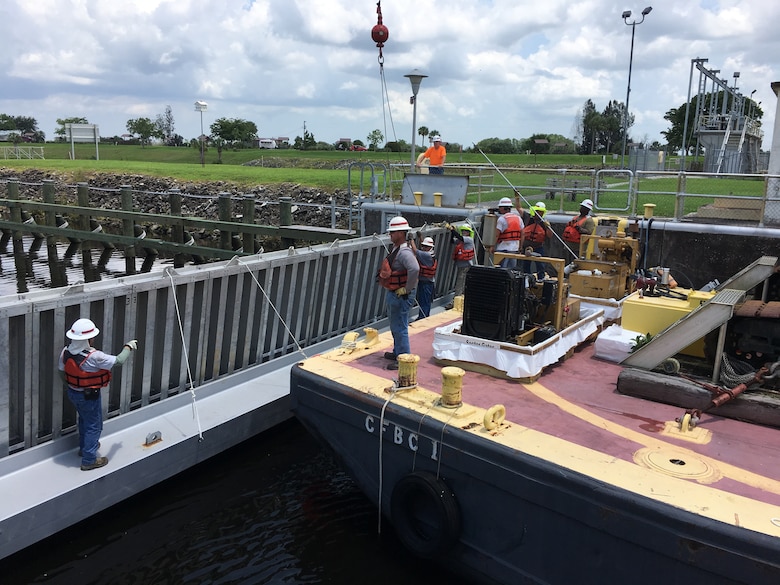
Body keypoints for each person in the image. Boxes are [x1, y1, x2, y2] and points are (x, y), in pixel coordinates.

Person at [58, 318, 137, 471]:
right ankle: (89, 460)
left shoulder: (65, 351)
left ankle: (84, 447)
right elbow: (119, 361)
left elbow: (61, 372)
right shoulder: (95, 356)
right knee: (94, 426)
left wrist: (71, 386)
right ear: (88, 339)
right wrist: (128, 346)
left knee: (83, 420)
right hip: (89, 396)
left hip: (73, 393)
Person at [377, 216, 419, 370]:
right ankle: (397, 352)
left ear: (401, 233)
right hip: (396, 293)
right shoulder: (398, 249)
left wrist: (407, 289)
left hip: (401, 295)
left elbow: (415, 269)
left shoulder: (404, 252)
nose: (390, 235)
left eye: (393, 233)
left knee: (400, 326)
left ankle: (404, 357)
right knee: (395, 325)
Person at [487, 196, 524, 268]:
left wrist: (492, 246)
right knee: (512, 269)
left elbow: (497, 235)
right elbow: (523, 233)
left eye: (500, 207)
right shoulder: (518, 218)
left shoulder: (502, 219)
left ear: (503, 208)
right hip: (514, 249)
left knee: (501, 269)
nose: (499, 209)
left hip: (502, 248)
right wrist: (520, 247)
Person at [522, 202, 552, 280]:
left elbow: (550, 235)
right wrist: (517, 197)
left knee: (540, 265)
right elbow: (519, 209)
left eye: (540, 211)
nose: (538, 213)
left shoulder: (544, 223)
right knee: (526, 265)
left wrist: (548, 227)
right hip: (527, 247)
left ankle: (540, 279)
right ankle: (526, 279)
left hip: (538, 247)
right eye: (537, 211)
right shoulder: (528, 219)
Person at [411, 236, 437, 320]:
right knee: (426, 301)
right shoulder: (431, 254)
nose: (423, 247)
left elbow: (415, 250)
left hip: (426, 283)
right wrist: (420, 237)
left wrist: (411, 239)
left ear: (429, 247)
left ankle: (422, 318)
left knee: (423, 301)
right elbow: (422, 249)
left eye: (425, 246)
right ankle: (425, 316)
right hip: (429, 282)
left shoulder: (426, 255)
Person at [450, 223, 475, 301]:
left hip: (466, 265)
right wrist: (452, 232)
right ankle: (460, 298)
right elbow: (452, 241)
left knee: (460, 283)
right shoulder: (460, 241)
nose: (464, 232)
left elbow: (459, 237)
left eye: (466, 231)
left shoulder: (469, 239)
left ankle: (456, 301)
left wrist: (452, 230)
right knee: (461, 282)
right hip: (461, 265)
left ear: (469, 232)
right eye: (463, 230)